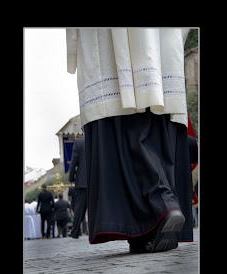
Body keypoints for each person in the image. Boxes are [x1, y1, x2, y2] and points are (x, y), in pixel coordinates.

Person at [66, 28, 193, 253]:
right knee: (153, 102)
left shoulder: (78, 144)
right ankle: (154, 227)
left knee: (124, 101)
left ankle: (159, 208)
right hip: (159, 45)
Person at [69, 138, 88, 238]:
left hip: (83, 181)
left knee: (79, 208)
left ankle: (75, 231)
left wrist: (71, 177)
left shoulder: (79, 143)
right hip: (98, 181)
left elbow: (73, 162)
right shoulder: (100, 139)